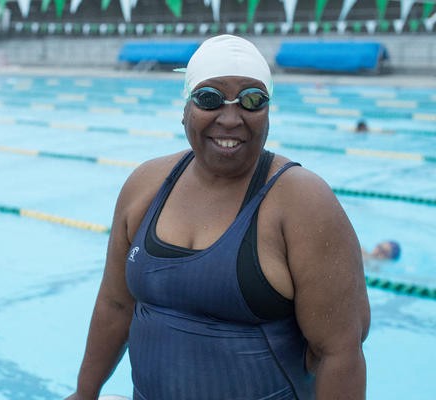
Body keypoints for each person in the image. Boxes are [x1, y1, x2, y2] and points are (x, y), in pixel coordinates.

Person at [66, 35, 370, 400]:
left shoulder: (301, 201)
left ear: (268, 112)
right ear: (185, 109)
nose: (230, 119)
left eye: (252, 100)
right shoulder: (145, 185)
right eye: (209, 98)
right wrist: (85, 395)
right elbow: (115, 305)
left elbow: (340, 352)